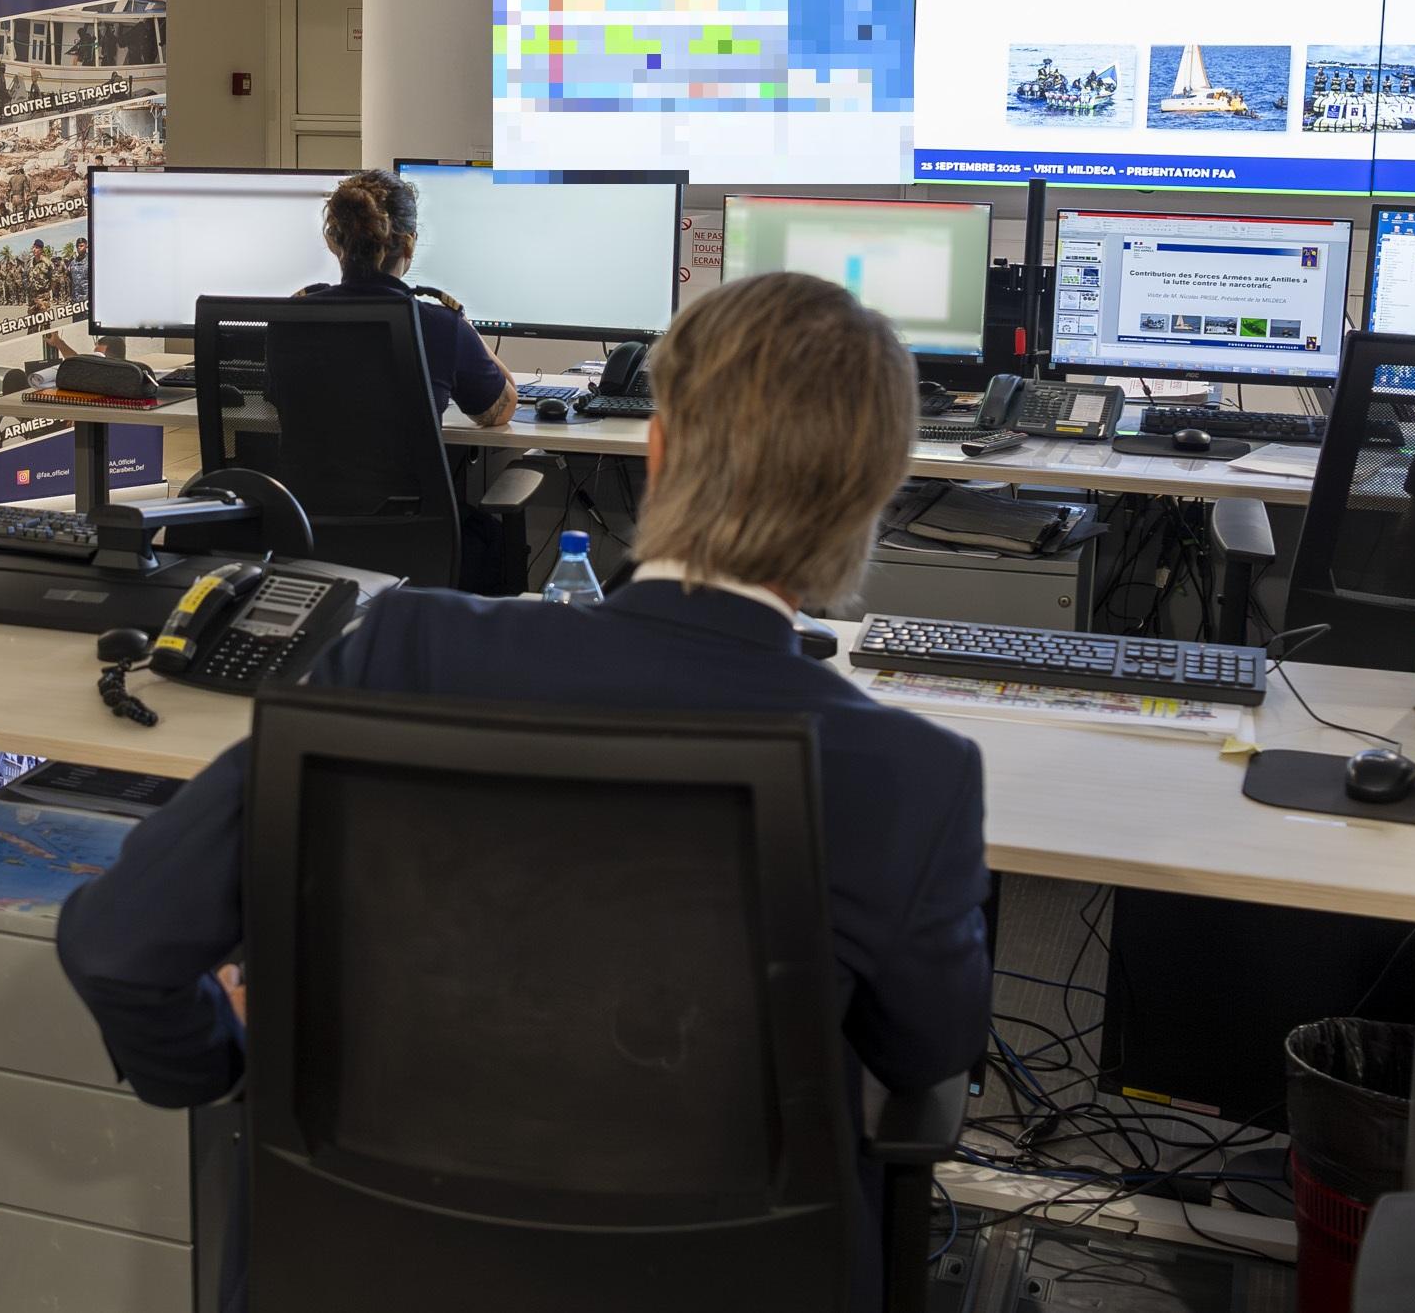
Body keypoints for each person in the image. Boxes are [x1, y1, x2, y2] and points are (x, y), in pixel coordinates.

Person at [55, 272, 992, 1308]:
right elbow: (927, 1060)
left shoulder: (408, 649)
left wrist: (225, 1073)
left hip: (354, 1273)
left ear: (663, 451)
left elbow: (118, 943)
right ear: (872, 499)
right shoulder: (910, 780)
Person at [297, 169, 517, 428]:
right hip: (409, 471)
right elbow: (503, 408)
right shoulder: (441, 327)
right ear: (409, 244)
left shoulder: (294, 318)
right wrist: (464, 327)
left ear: (333, 241)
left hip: (313, 470)